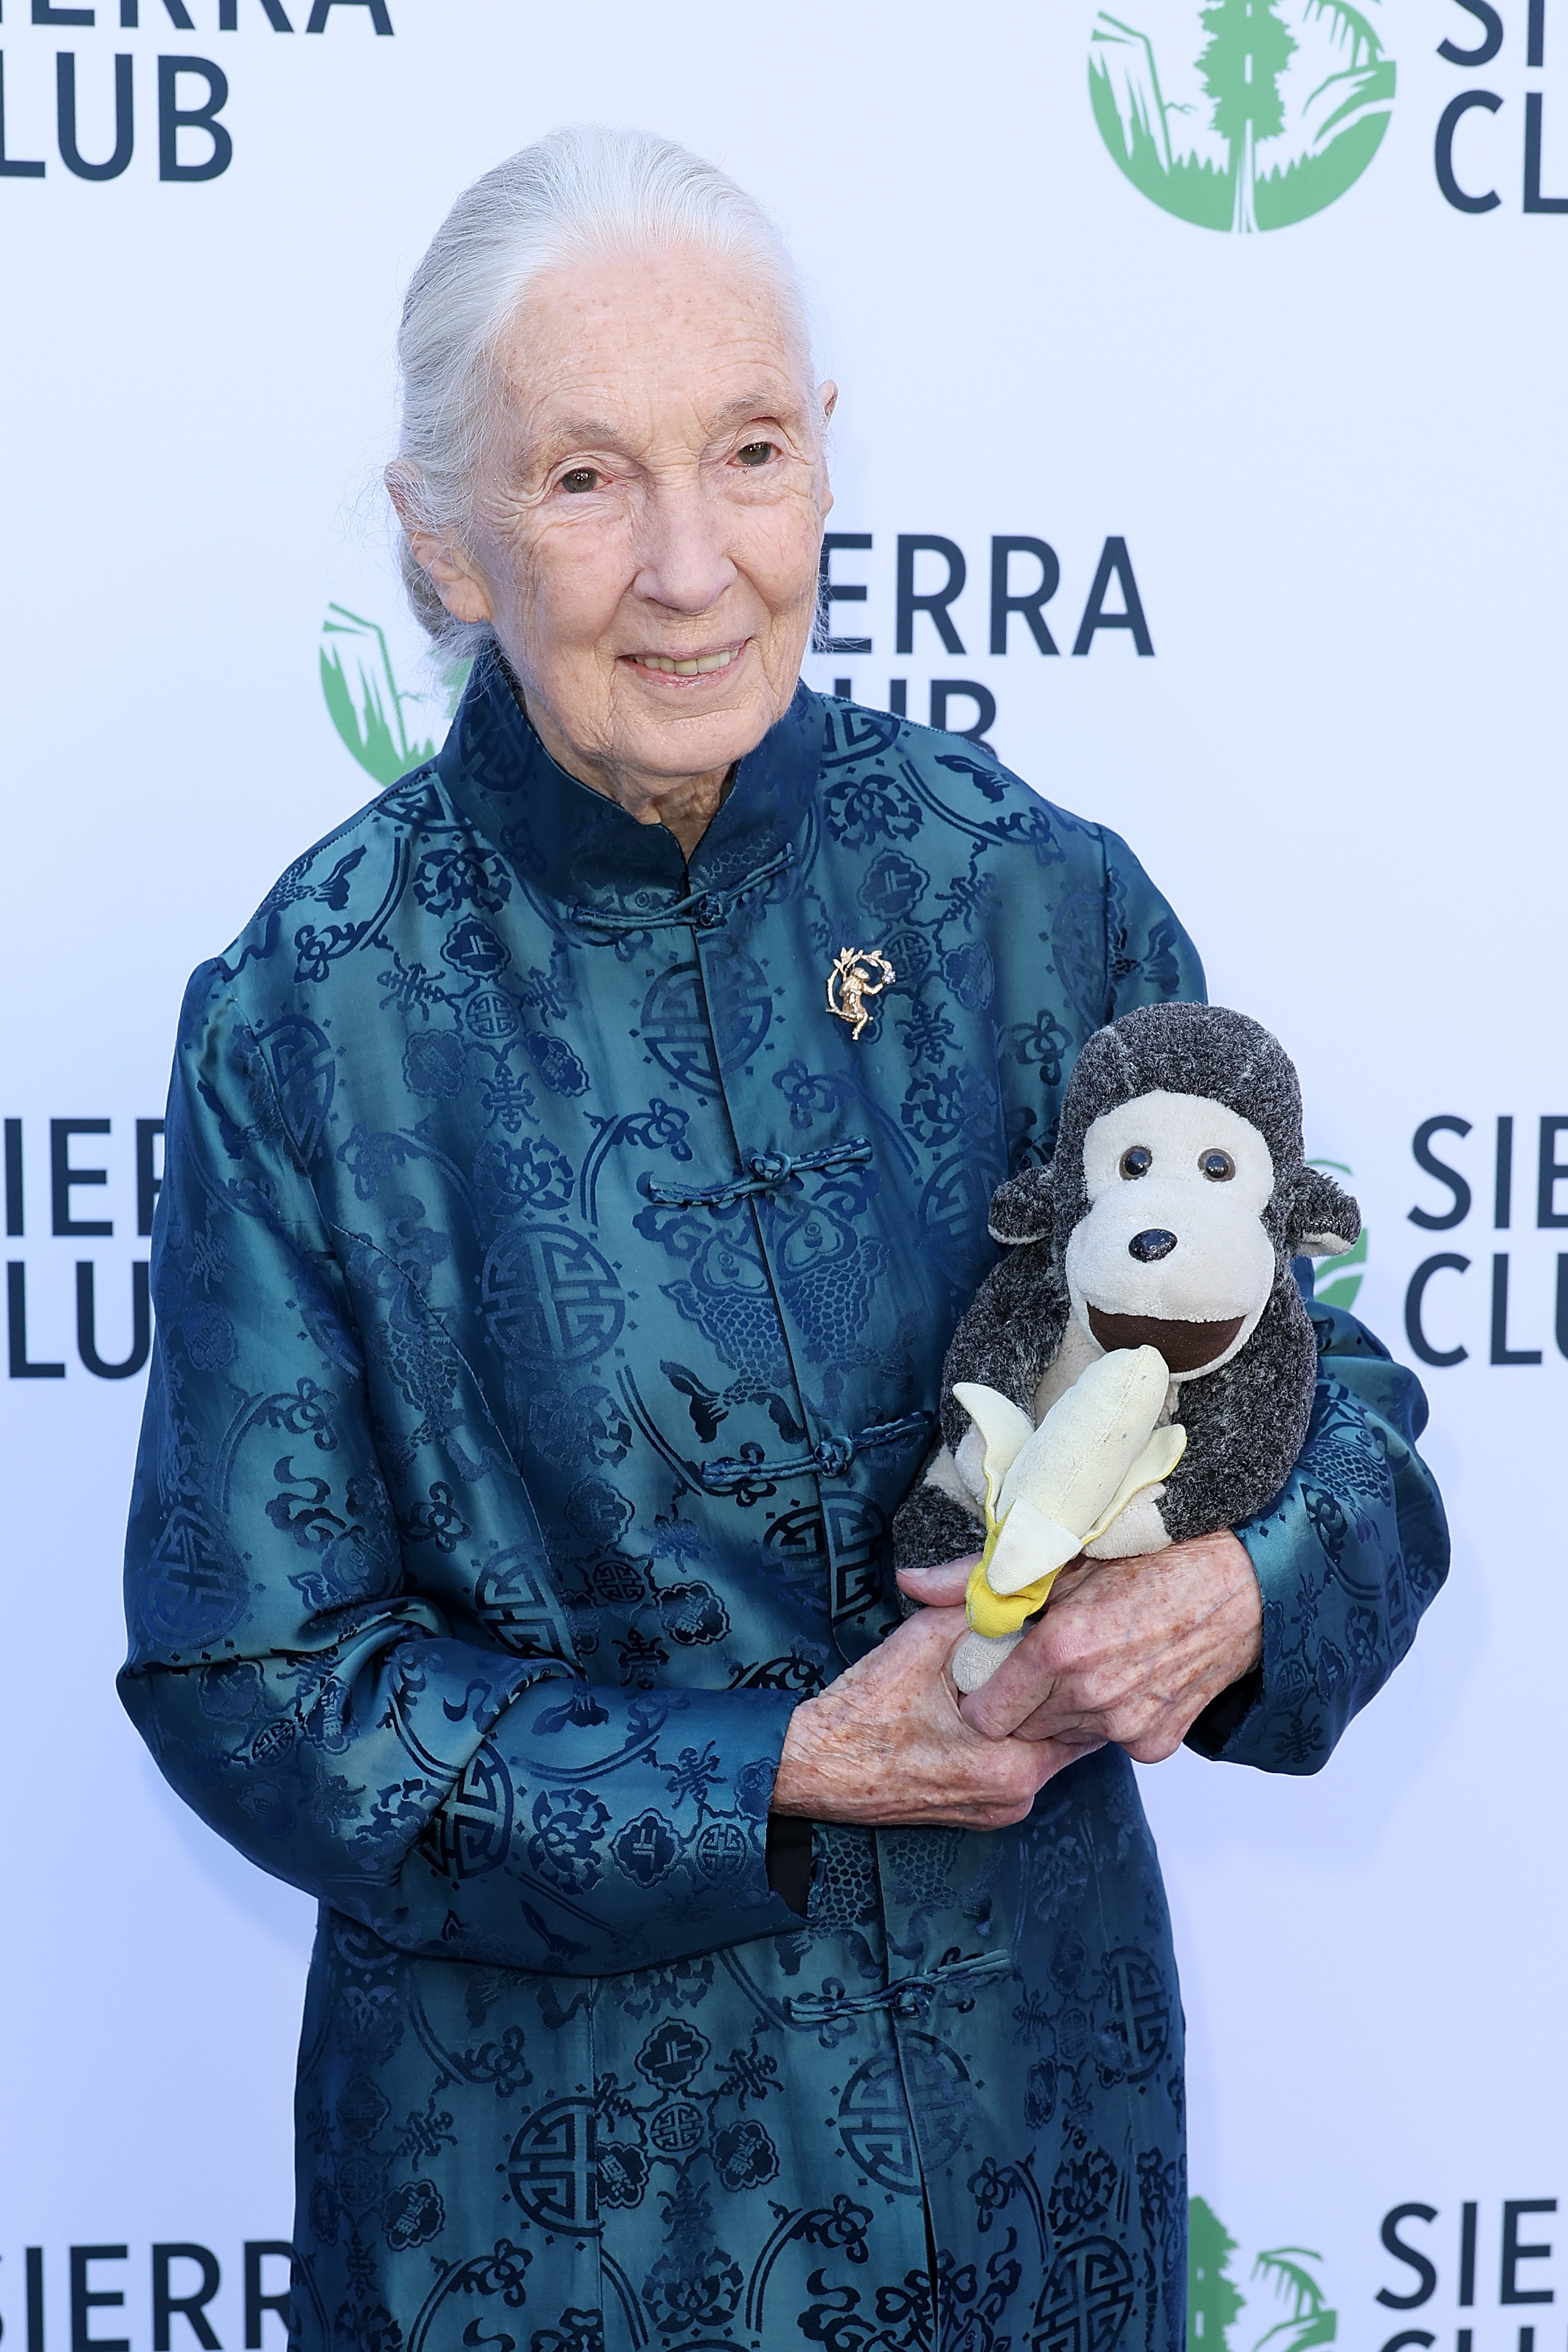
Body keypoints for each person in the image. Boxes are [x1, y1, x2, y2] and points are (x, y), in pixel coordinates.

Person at [119, 128, 1447, 2352]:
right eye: (583, 480)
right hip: (547, 2232)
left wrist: (1235, 1588)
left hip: (1031, 2173)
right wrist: (784, 1767)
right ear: (441, 539)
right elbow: (253, 1682)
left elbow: (1342, 1418)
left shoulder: (1033, 898)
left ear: (825, 453)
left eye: (747, 453)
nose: (690, 566)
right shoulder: (314, 1018)